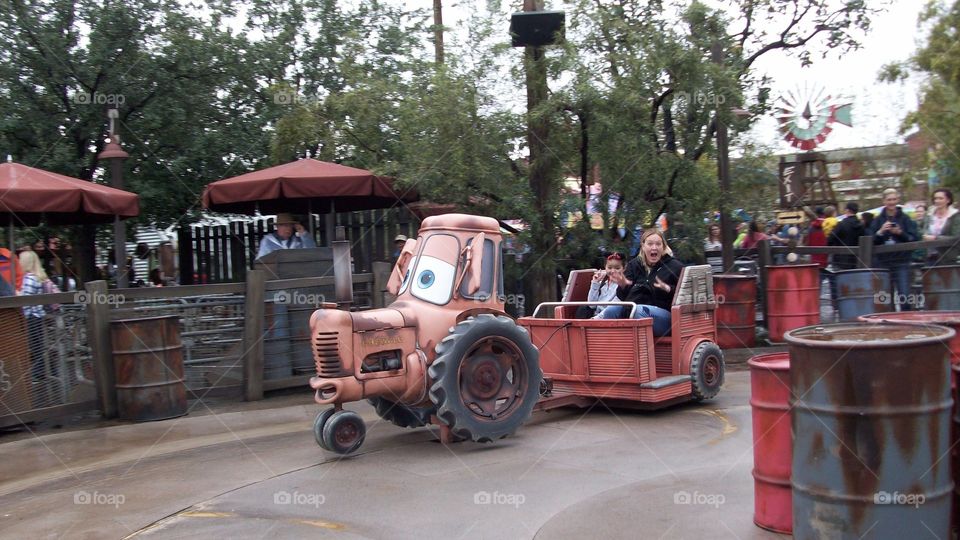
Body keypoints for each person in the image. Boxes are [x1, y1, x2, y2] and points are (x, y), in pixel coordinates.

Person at [596, 230, 684, 337]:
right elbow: (622, 296)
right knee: (610, 311)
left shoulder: (674, 266)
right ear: (643, 246)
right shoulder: (635, 265)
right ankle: (615, 346)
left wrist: (668, 288)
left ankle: (639, 349)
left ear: (663, 246)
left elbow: (684, 296)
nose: (654, 247)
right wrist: (623, 285)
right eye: (650, 244)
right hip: (633, 308)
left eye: (658, 244)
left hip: (666, 317)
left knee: (638, 311)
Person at [868, 188, 919, 310]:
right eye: (889, 199)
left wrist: (900, 232)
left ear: (898, 200)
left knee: (905, 295)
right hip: (882, 263)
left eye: (894, 199)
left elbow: (914, 238)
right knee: (884, 298)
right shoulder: (877, 220)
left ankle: (906, 322)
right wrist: (880, 231)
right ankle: (890, 325)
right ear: (884, 201)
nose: (892, 202)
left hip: (902, 262)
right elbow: (870, 240)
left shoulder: (905, 219)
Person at [18, 250, 61, 385]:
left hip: (31, 316)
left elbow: (25, 300)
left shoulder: (29, 278)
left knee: (36, 345)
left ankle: (38, 374)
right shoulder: (38, 276)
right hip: (37, 315)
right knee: (39, 345)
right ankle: (53, 371)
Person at [575, 252, 625, 318]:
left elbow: (612, 308)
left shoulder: (622, 286)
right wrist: (595, 283)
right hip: (596, 316)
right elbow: (591, 304)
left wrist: (595, 319)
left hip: (609, 317)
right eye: (609, 268)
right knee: (582, 309)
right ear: (605, 268)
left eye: (617, 268)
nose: (613, 271)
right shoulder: (603, 283)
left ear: (624, 269)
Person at [921, 188, 960, 266]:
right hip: (930, 256)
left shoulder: (955, 216)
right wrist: (923, 235)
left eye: (940, 198)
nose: (937, 201)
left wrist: (935, 238)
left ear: (948, 200)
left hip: (948, 257)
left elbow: (956, 237)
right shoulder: (929, 215)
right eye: (935, 198)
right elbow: (923, 230)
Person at [829, 202, 866, 270]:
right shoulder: (861, 226)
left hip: (841, 260)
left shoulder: (841, 224)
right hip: (857, 260)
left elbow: (830, 239)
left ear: (847, 210)